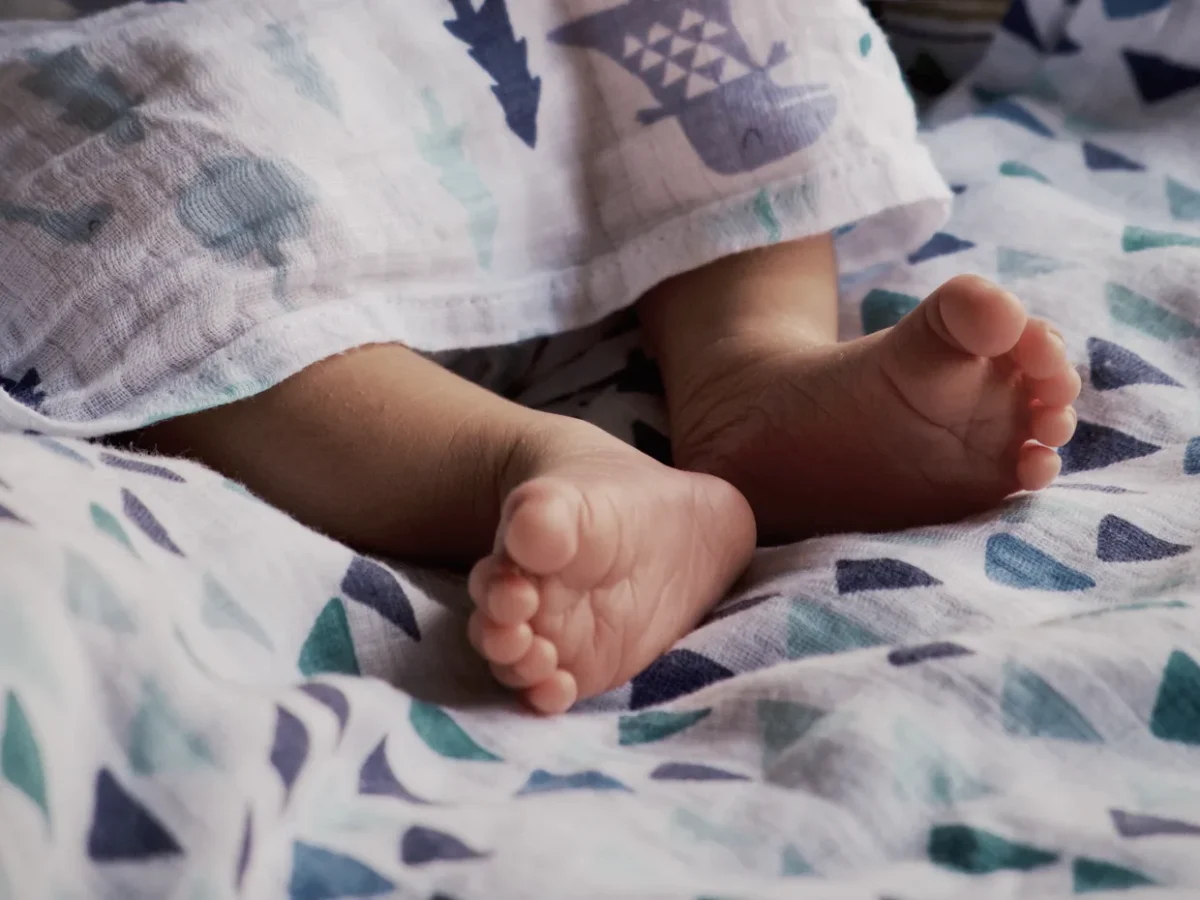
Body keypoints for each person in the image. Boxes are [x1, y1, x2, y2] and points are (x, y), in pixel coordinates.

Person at [137, 236, 1079, 714]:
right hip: (262, 175)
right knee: (150, 259)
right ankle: (535, 463)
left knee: (713, 58)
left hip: (524, 123)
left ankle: (750, 368)